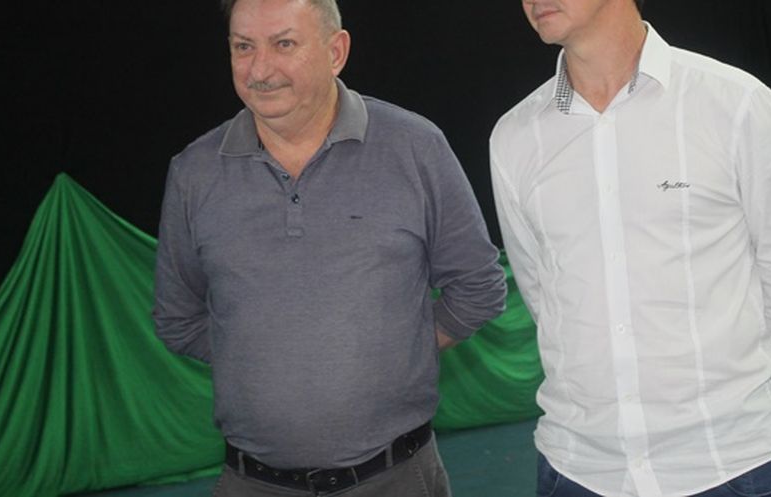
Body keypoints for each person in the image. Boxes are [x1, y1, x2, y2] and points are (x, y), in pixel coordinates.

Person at [152, 0, 507, 495]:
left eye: (284, 44)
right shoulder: (194, 173)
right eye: (243, 47)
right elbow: (177, 319)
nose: (259, 70)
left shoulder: (415, 147)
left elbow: (478, 288)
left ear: (336, 51)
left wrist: (395, 352)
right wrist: (263, 357)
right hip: (252, 484)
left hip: (398, 479)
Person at [490, 1, 771, 496]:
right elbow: (541, 288)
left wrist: (734, 360)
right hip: (579, 470)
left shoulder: (734, 104)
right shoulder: (515, 138)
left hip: (728, 465)